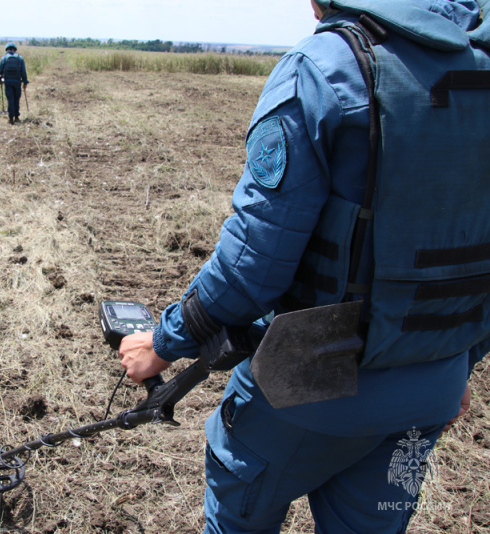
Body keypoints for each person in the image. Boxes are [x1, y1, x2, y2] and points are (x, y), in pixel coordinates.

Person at [118, 0, 490, 532]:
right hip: (431, 391)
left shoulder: (324, 68)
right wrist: (456, 363)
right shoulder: (479, 59)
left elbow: (252, 266)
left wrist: (161, 342)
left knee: (238, 514)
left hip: (309, 385)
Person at [0, 42, 29, 124]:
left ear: (7, 49)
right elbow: (23, 72)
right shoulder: (20, 58)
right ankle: (16, 117)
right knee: (16, 99)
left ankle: (11, 117)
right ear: (15, 50)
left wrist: (0, 79)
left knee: (10, 99)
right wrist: (25, 82)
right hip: (17, 82)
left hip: (8, 82)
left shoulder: (4, 58)